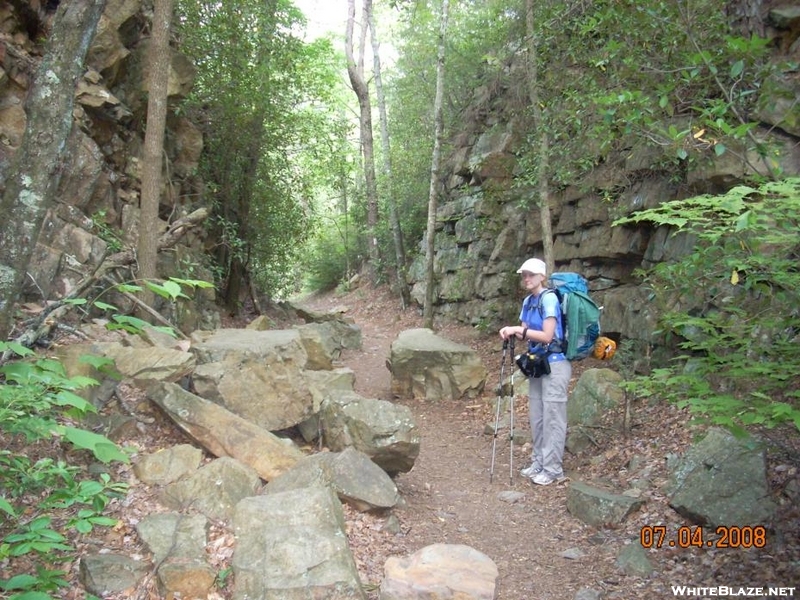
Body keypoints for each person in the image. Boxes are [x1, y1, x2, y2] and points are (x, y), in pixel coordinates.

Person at [499, 258, 571, 486]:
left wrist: (520, 329)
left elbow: (548, 336)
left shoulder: (549, 299)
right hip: (538, 364)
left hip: (556, 364)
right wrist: (512, 332)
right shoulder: (528, 301)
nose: (526, 279)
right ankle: (539, 462)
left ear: (542, 276)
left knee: (553, 417)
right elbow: (525, 333)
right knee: (537, 416)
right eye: (524, 275)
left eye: (530, 274)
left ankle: (553, 469)